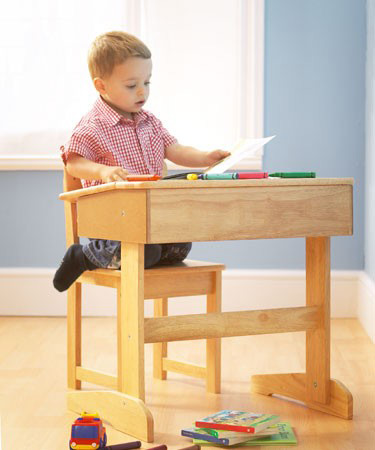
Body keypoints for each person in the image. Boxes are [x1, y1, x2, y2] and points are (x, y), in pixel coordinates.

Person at [53, 31, 230, 292]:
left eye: (147, 83)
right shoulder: (93, 125)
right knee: (142, 253)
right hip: (112, 220)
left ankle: (149, 253)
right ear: (102, 86)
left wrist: (205, 157)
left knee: (179, 247)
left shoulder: (150, 122)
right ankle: (81, 256)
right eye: (131, 85)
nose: (142, 91)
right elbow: (73, 162)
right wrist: (102, 170)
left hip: (149, 217)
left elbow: (175, 149)